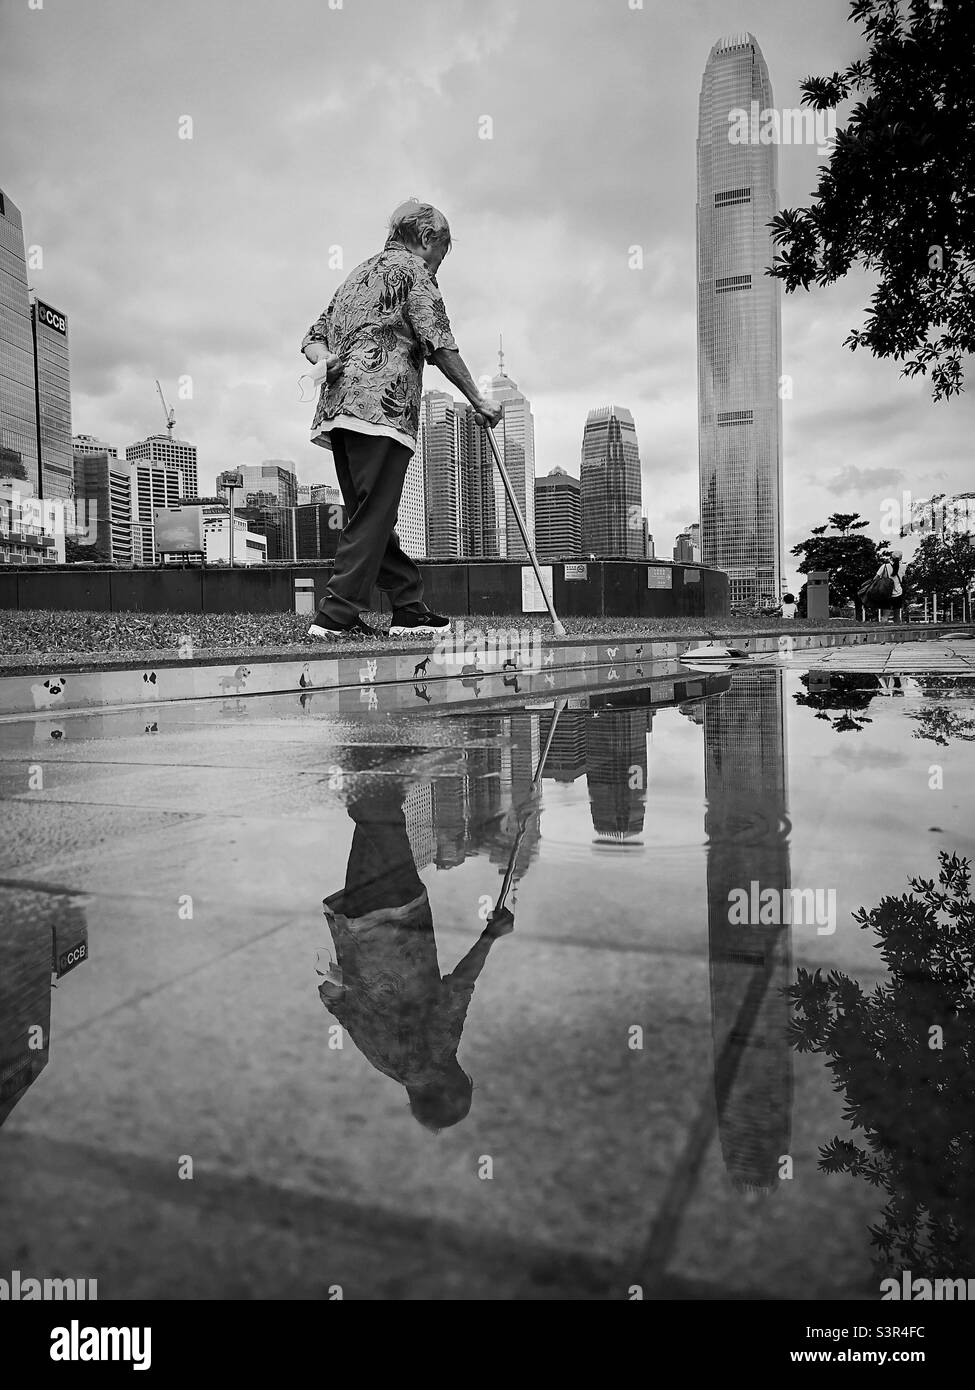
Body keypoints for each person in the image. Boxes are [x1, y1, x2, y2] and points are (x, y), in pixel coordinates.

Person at [300, 199, 502, 640]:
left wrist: (327, 358)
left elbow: (312, 340)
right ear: (427, 238)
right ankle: (335, 616)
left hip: (339, 412)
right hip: (383, 409)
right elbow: (440, 342)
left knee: (369, 515)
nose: (437, 269)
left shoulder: (355, 277)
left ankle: (407, 606)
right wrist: (478, 400)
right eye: (440, 257)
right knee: (374, 514)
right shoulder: (413, 273)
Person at [317, 782, 512, 1131]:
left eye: (462, 1082)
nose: (461, 1073)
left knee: (382, 816)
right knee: (372, 816)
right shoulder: (383, 1062)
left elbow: (457, 989)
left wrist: (490, 935)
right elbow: (335, 1001)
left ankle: (373, 758)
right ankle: (367, 762)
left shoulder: (434, 1061)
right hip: (356, 923)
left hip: (399, 919)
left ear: (449, 1089)